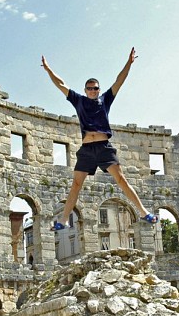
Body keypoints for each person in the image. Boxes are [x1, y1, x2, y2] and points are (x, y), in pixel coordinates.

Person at [41, 47, 158, 231]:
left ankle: (144, 212)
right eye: (90, 88)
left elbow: (120, 80)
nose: (93, 91)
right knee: (76, 185)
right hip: (87, 149)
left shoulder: (105, 99)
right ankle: (62, 221)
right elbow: (61, 84)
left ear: (99, 89)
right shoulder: (78, 100)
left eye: (96, 88)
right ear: (85, 90)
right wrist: (48, 70)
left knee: (121, 180)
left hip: (104, 147)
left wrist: (129, 62)